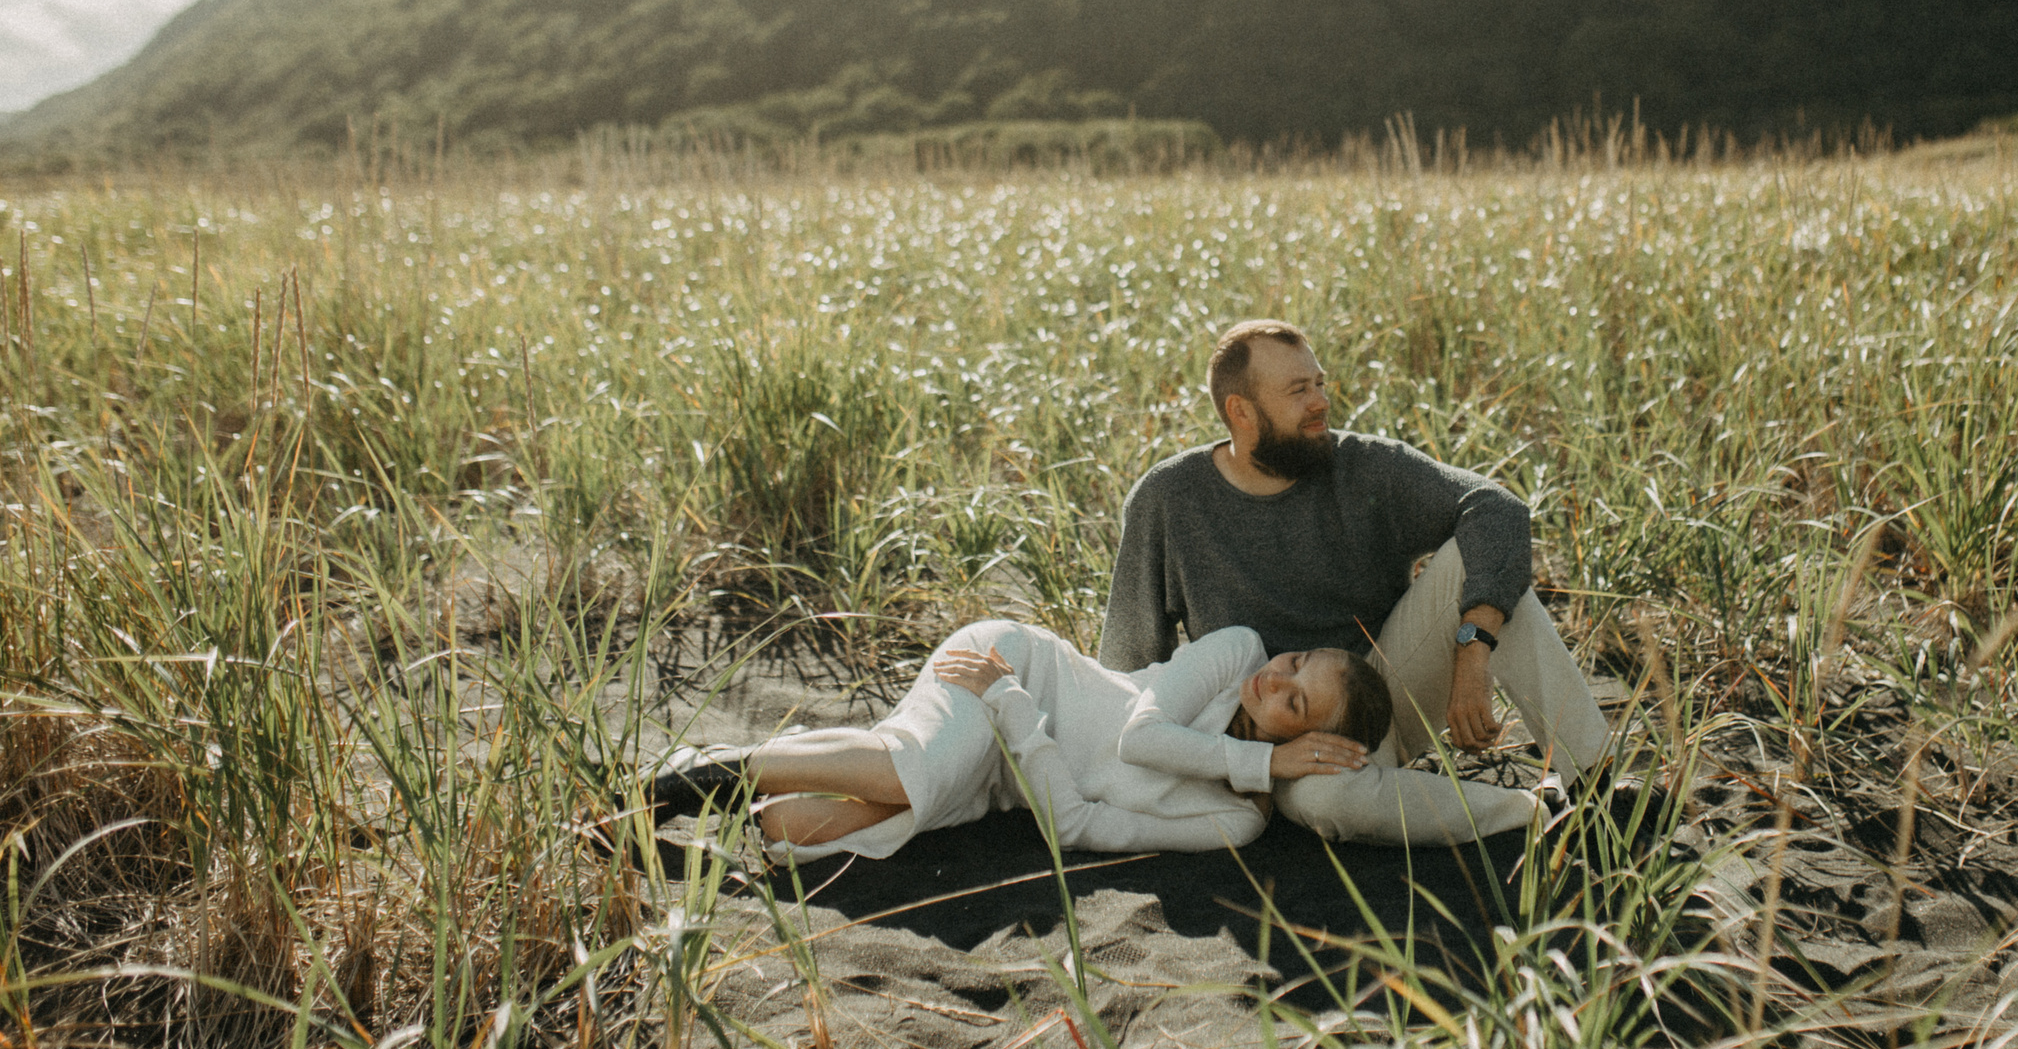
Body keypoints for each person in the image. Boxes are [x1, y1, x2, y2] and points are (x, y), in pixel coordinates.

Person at [1100, 319, 1613, 846]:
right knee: (1327, 802)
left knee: (1486, 561)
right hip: (1278, 737)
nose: (1320, 402)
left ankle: (1599, 781)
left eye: (1319, 383)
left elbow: (1496, 507)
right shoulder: (1168, 499)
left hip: (1386, 691)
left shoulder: (1366, 467)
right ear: (1241, 411)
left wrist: (1473, 649)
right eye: (1298, 391)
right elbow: (1130, 663)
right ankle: (1536, 810)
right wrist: (1218, 763)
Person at [647, 618, 1397, 861]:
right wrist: (1260, 755)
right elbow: (1139, 735)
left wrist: (1009, 712)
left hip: (1007, 759)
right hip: (1013, 663)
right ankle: (708, 771)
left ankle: (714, 811)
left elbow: (1073, 827)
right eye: (1295, 660)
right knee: (919, 769)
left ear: (1311, 745)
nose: (1275, 677)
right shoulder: (1236, 651)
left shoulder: (1233, 820)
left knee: (793, 827)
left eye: (1295, 701)